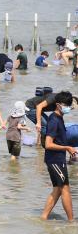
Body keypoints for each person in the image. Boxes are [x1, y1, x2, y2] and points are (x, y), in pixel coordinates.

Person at [41, 91, 76, 221]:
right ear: (58, 105)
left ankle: (43, 217)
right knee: (65, 188)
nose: (68, 107)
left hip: (57, 159)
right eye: (66, 105)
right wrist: (66, 147)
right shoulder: (54, 120)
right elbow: (48, 144)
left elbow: (58, 141)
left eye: (69, 105)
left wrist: (68, 150)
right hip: (54, 160)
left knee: (57, 189)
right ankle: (71, 221)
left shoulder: (59, 118)